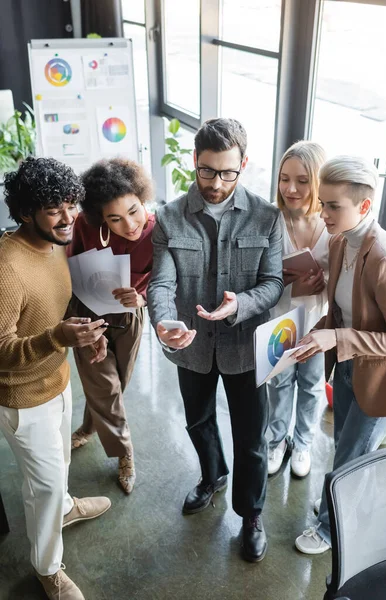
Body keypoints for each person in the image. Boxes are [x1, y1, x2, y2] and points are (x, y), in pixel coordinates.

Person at [147, 118, 284, 562]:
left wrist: (240, 304)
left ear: (243, 165)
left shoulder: (268, 216)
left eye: (228, 172)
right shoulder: (168, 218)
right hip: (192, 347)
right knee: (198, 421)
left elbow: (273, 282)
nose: (217, 182)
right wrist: (164, 321)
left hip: (247, 347)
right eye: (207, 171)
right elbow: (161, 286)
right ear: (194, 161)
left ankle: (251, 514)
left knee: (251, 438)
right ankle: (212, 477)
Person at [0, 157, 111, 600]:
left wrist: (80, 336)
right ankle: (48, 568)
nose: (69, 218)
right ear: (26, 212)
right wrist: (55, 337)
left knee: (57, 468)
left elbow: (52, 309)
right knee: (43, 484)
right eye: (54, 209)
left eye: (71, 204)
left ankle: (64, 509)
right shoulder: (6, 267)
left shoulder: (53, 243)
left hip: (57, 378)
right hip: (22, 396)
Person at [293, 156, 386, 554]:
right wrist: (316, 336)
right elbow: (342, 312)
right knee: (347, 453)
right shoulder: (339, 243)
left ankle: (329, 529)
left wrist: (336, 336)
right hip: (349, 366)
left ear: (365, 207)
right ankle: (347, 508)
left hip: (381, 379)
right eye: (323, 203)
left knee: (351, 458)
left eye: (333, 206)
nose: (323, 214)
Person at [67, 158, 155, 494]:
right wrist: (77, 321)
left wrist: (142, 297)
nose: (129, 225)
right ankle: (125, 453)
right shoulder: (84, 226)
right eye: (114, 219)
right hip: (89, 314)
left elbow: (163, 278)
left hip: (130, 317)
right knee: (105, 385)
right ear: (100, 218)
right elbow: (71, 269)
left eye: (133, 211)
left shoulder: (158, 230)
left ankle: (89, 428)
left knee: (116, 384)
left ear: (142, 198)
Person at [267, 141, 329, 478]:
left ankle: (303, 443)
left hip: (319, 321)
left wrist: (325, 281)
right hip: (280, 317)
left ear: (318, 181)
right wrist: (293, 284)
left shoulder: (332, 223)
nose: (291, 189)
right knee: (279, 383)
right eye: (284, 179)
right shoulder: (271, 220)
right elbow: (257, 277)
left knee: (312, 384)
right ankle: (277, 439)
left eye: (303, 180)